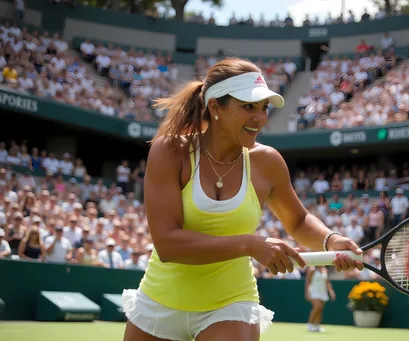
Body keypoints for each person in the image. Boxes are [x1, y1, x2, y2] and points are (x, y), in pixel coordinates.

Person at [121, 57, 364, 341]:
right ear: (215, 107)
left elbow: (298, 220)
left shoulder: (268, 161)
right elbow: (168, 244)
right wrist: (249, 244)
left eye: (263, 108)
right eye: (248, 107)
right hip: (160, 300)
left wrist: (330, 240)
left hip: (231, 303)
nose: (260, 118)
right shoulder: (169, 150)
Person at [305, 265, 336, 332]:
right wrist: (307, 293)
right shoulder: (312, 269)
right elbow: (308, 281)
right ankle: (310, 324)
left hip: (322, 292)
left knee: (320, 309)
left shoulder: (325, 270)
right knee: (317, 307)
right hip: (313, 292)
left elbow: (327, 282)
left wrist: (331, 291)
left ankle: (317, 326)